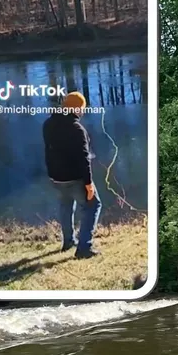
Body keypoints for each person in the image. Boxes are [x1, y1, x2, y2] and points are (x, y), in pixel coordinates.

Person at [42, 91, 101, 259]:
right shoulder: (77, 129)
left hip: (56, 178)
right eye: (81, 108)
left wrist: (51, 175)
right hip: (75, 179)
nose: (82, 112)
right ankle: (84, 248)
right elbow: (84, 159)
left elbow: (49, 151)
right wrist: (89, 185)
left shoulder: (47, 123)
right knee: (93, 205)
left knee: (66, 205)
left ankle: (68, 241)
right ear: (75, 108)